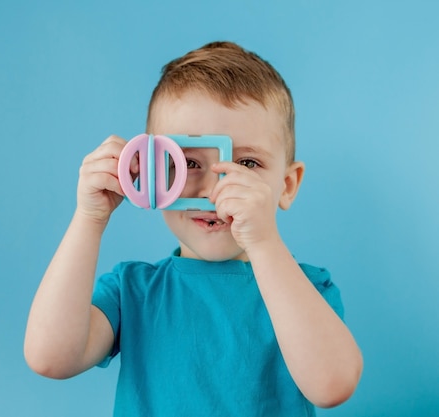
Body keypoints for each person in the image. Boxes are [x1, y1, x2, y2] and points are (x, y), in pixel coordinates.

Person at [24, 41, 363, 416]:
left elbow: (332, 386)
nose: (213, 192)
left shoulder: (308, 291)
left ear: (286, 185)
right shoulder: (132, 291)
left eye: (247, 165)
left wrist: (264, 241)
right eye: (185, 164)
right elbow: (49, 358)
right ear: (147, 172)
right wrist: (89, 218)